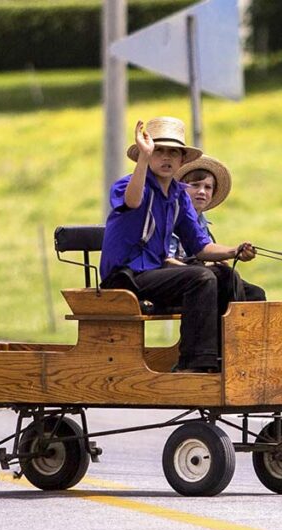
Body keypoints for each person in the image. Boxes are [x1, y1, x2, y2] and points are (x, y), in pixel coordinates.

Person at [99, 116, 255, 373]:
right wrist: (143, 158)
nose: (166, 157)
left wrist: (235, 250)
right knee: (201, 278)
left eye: (173, 152)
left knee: (227, 276)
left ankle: (229, 358)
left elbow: (200, 247)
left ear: (182, 160)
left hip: (155, 273)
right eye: (158, 151)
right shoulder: (129, 184)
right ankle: (194, 363)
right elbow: (134, 201)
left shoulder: (179, 195)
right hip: (125, 277)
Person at [170, 155, 267, 302]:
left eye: (208, 187)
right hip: (179, 279)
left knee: (256, 294)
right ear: (181, 189)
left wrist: (217, 261)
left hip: (199, 275)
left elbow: (206, 252)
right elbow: (166, 260)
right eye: (195, 185)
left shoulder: (203, 224)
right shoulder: (171, 217)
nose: (202, 191)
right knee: (227, 277)